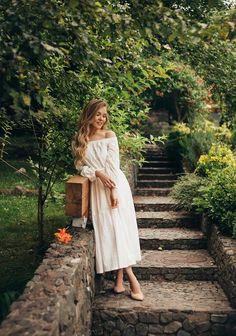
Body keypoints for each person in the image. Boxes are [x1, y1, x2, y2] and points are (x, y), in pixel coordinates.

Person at [72, 98, 144, 301]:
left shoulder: (109, 135)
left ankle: (131, 279)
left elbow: (113, 165)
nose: (102, 119)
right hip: (97, 190)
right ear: (89, 115)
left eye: (104, 115)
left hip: (115, 187)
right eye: (98, 114)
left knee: (118, 229)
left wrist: (113, 190)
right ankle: (119, 282)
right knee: (111, 231)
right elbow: (81, 168)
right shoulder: (81, 140)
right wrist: (97, 173)